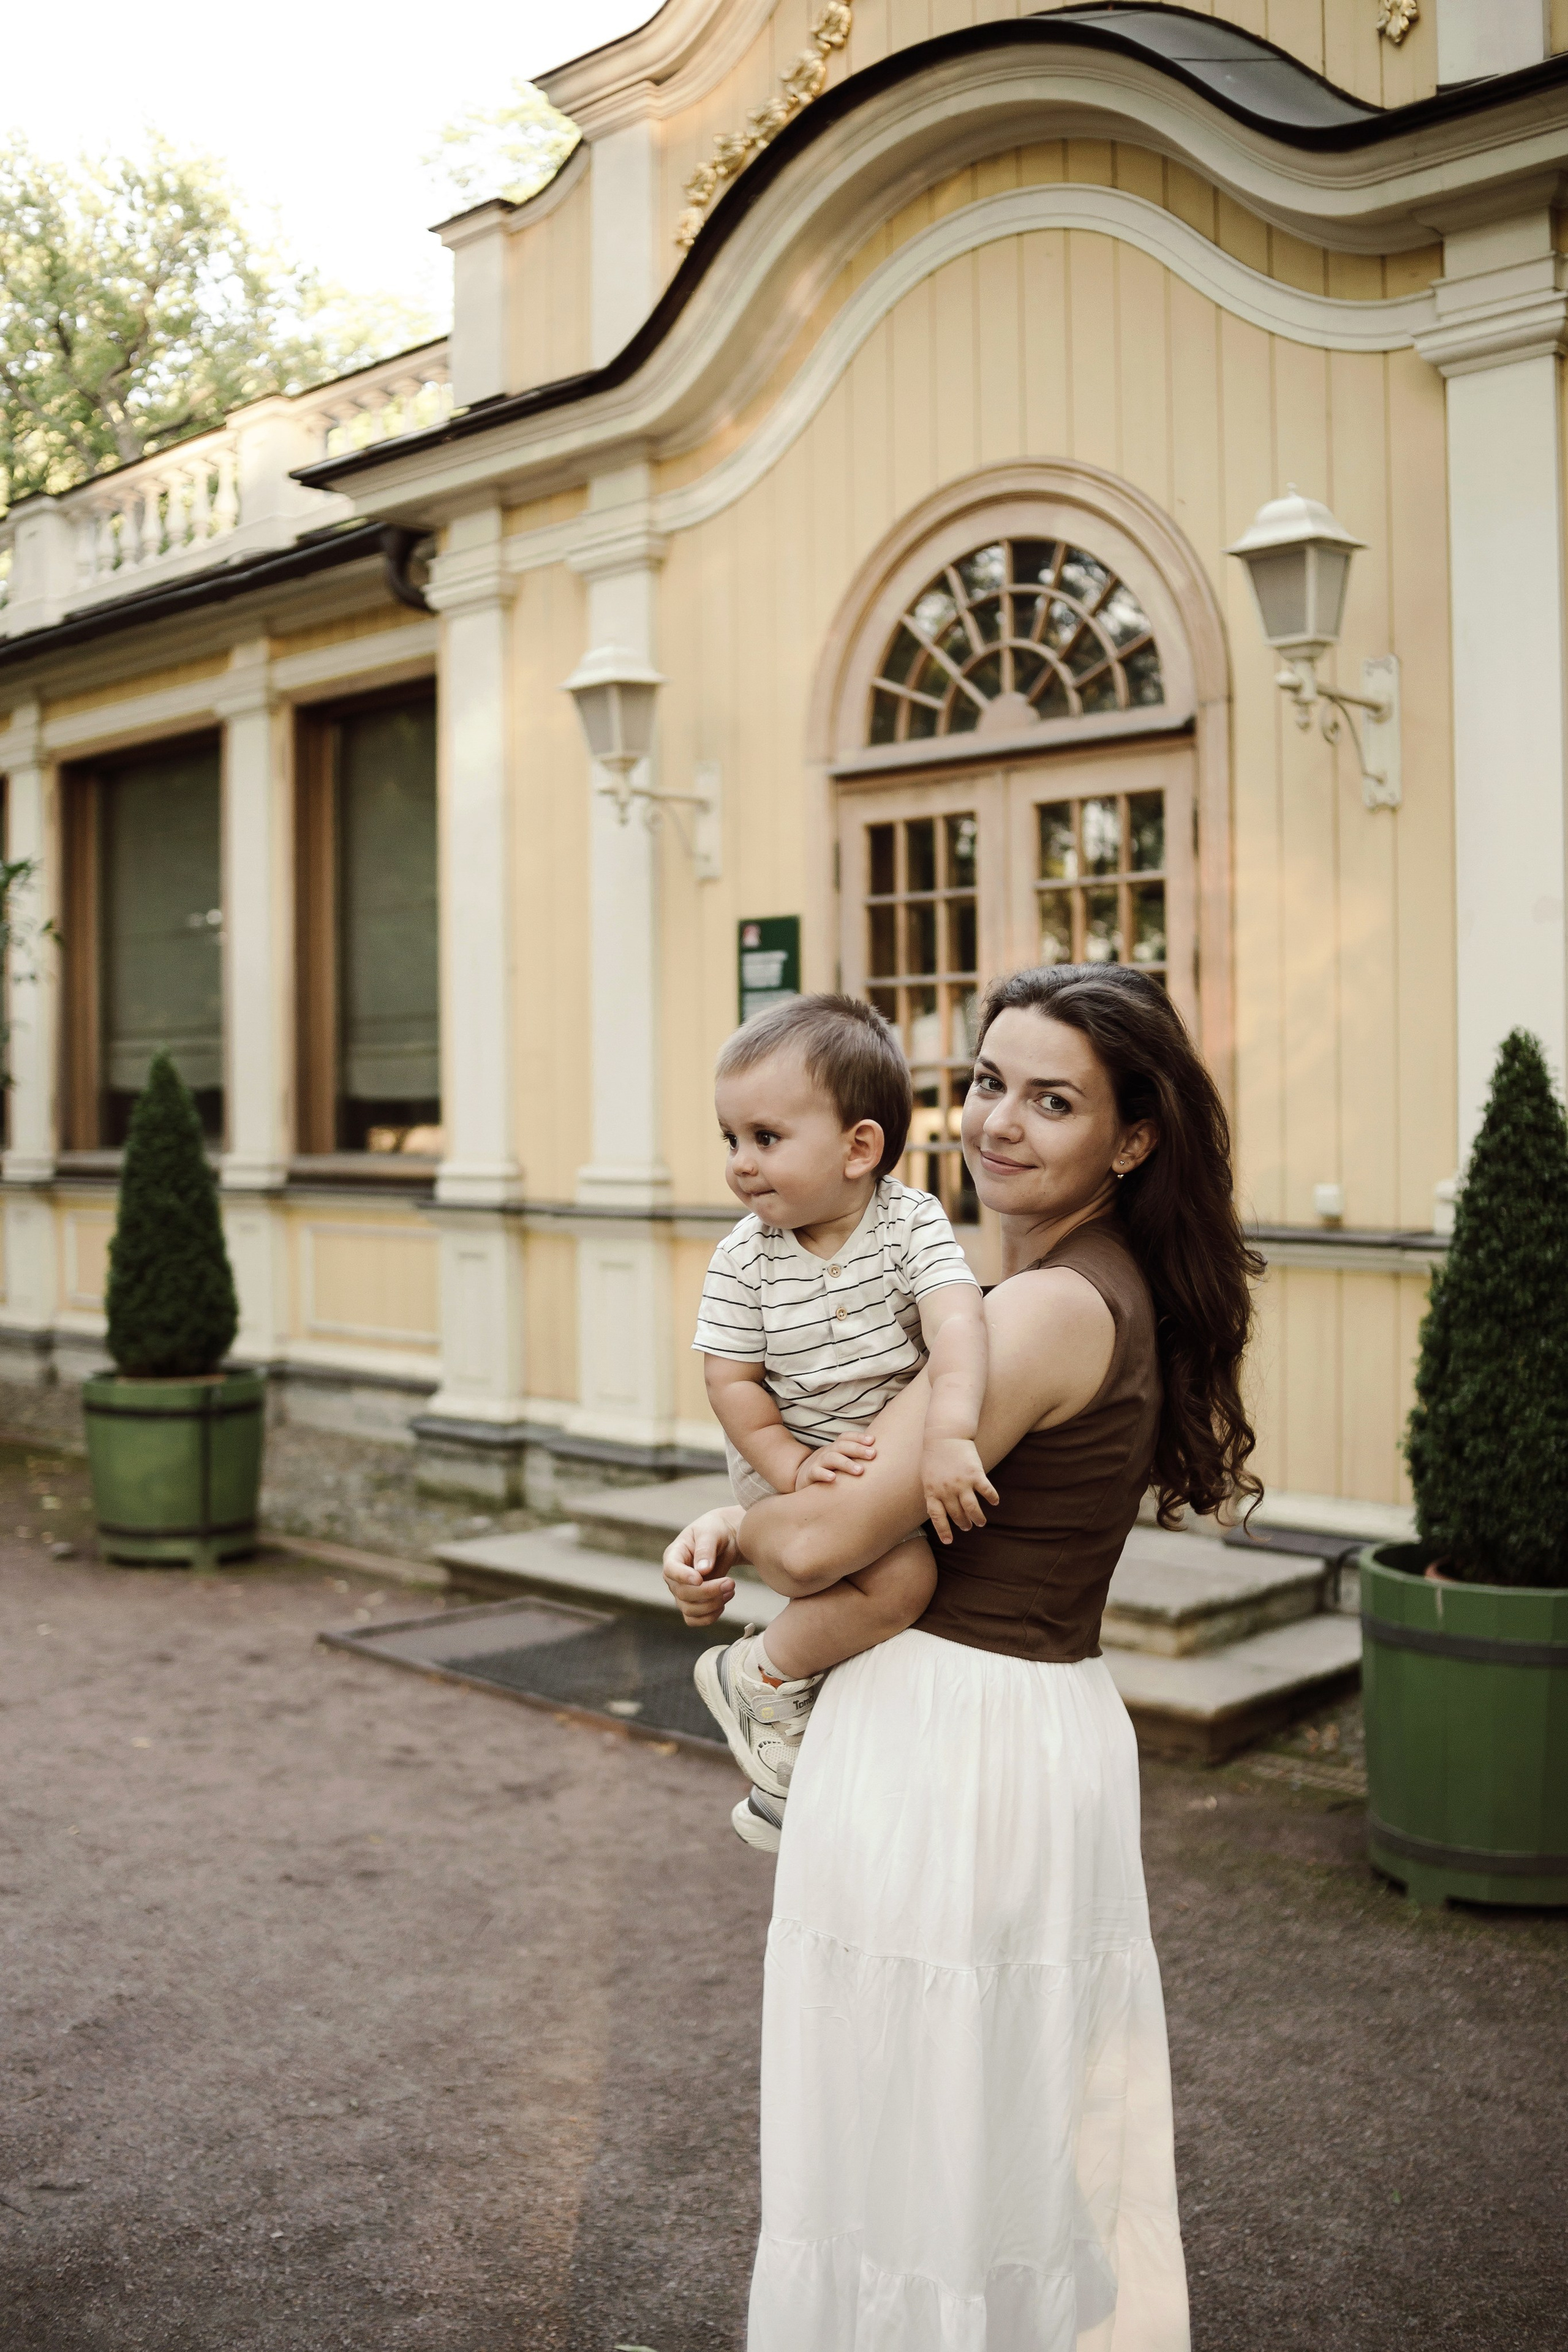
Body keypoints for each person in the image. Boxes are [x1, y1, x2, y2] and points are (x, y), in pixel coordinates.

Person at [665, 963, 1262, 2351]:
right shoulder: (1054, 1281)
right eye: (987, 1081)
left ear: (1130, 1140)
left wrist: (732, 1526)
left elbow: (820, 1552)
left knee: (919, 2126)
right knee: (987, 2124)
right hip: (1023, 1727)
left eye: (1050, 1101)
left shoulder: (1035, 1311)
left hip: (951, 1737)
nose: (997, 1122)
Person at [691, 993, 992, 1852]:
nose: (742, 1165)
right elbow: (733, 1381)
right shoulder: (744, 1254)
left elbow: (959, 1324)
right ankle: (757, 1673)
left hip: (880, 1450)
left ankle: (789, 1774)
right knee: (901, 1586)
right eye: (731, 1140)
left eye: (766, 1138)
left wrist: (950, 1433)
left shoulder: (911, 1222)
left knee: (873, 1623)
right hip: (787, 1461)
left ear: (860, 1147)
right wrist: (788, 1469)